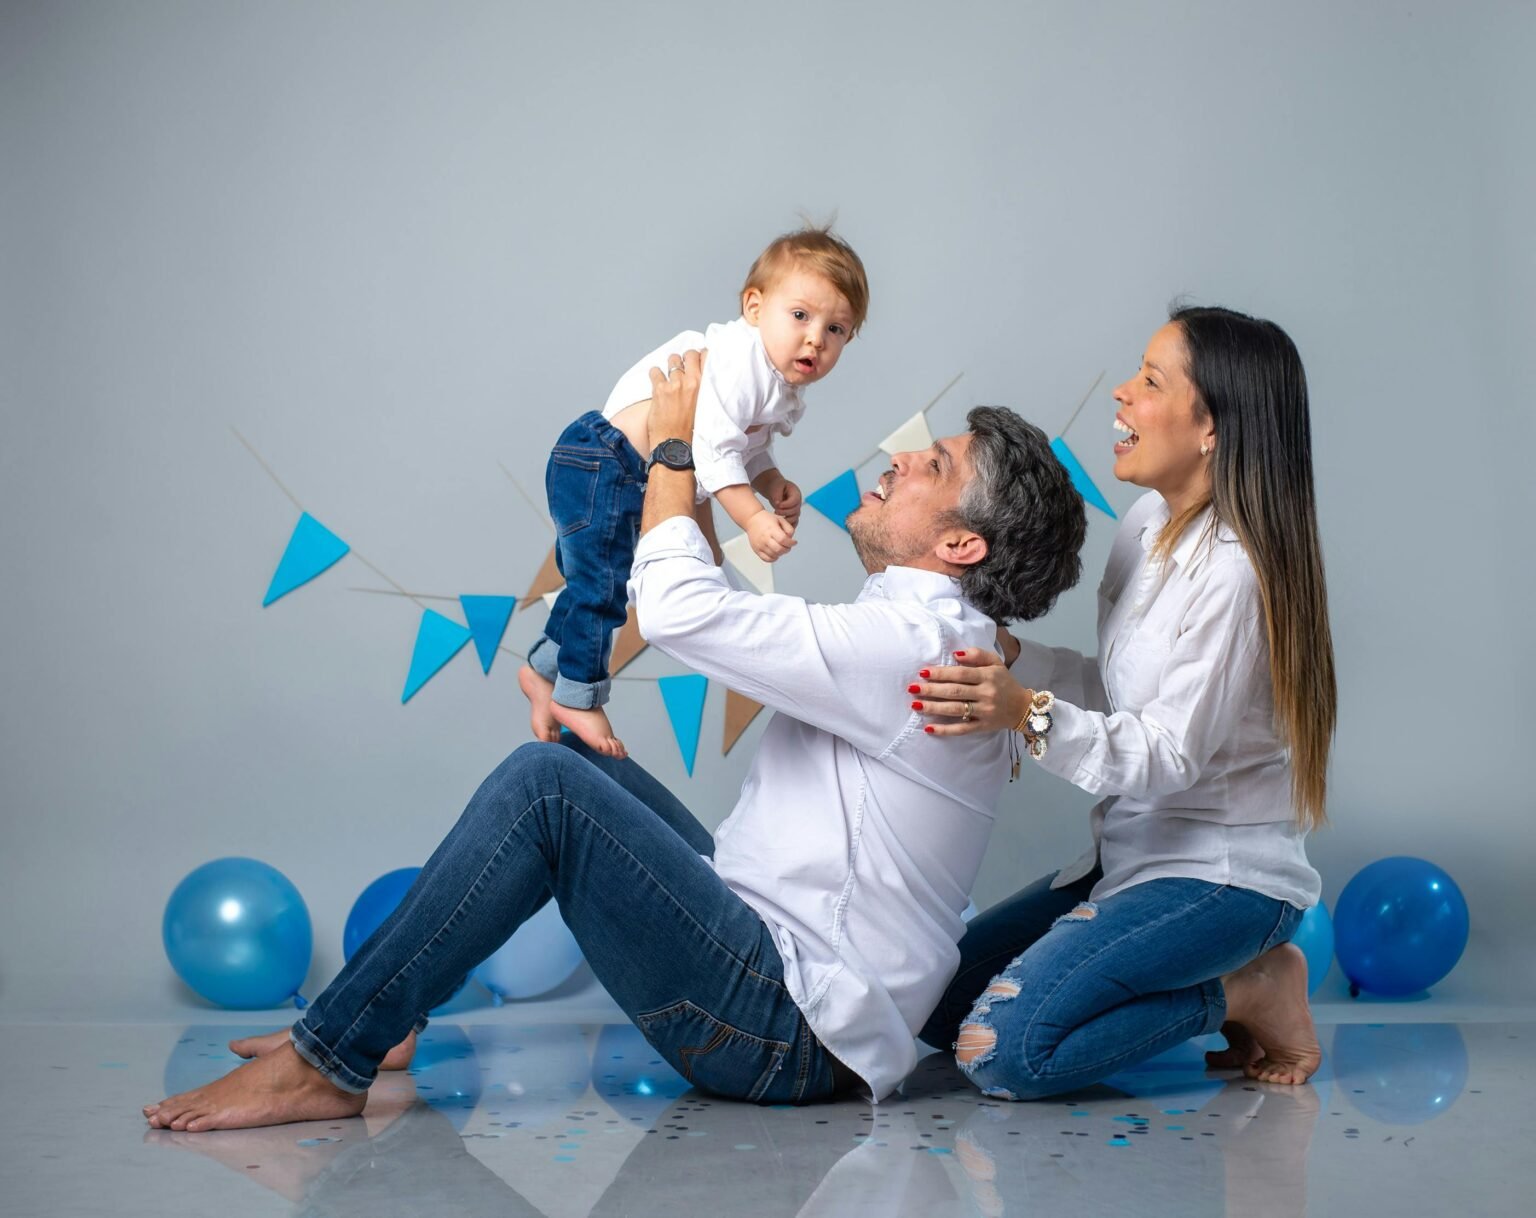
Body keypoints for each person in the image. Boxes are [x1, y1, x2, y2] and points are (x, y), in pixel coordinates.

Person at [143, 349, 1086, 1131]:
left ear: (961, 547)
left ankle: (326, 1062)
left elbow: (680, 611)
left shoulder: (910, 643)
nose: (903, 457)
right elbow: (721, 616)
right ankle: (382, 1019)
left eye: (936, 467)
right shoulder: (957, 641)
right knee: (571, 761)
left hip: (787, 1029)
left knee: (543, 790)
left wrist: (676, 448)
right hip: (774, 962)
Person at [911, 306, 1336, 1098]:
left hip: (1218, 877)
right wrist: (1018, 660)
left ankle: (1249, 989)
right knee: (932, 1003)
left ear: (1211, 429)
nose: (1122, 393)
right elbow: (1125, 698)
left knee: (1002, 1053)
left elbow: (1167, 756)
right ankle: (1176, 974)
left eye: (1151, 382)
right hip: (1130, 855)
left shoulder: (1236, 573)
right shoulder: (1145, 526)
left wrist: (1025, 712)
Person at [519, 226, 870, 759]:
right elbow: (712, 450)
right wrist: (752, 518)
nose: (816, 338)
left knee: (596, 580)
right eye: (800, 315)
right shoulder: (741, 363)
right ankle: (579, 694)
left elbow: (747, 448)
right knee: (602, 588)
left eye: (836, 328)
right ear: (755, 307)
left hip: (625, 471)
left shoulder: (777, 383)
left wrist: (770, 482)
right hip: (603, 460)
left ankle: (545, 669)